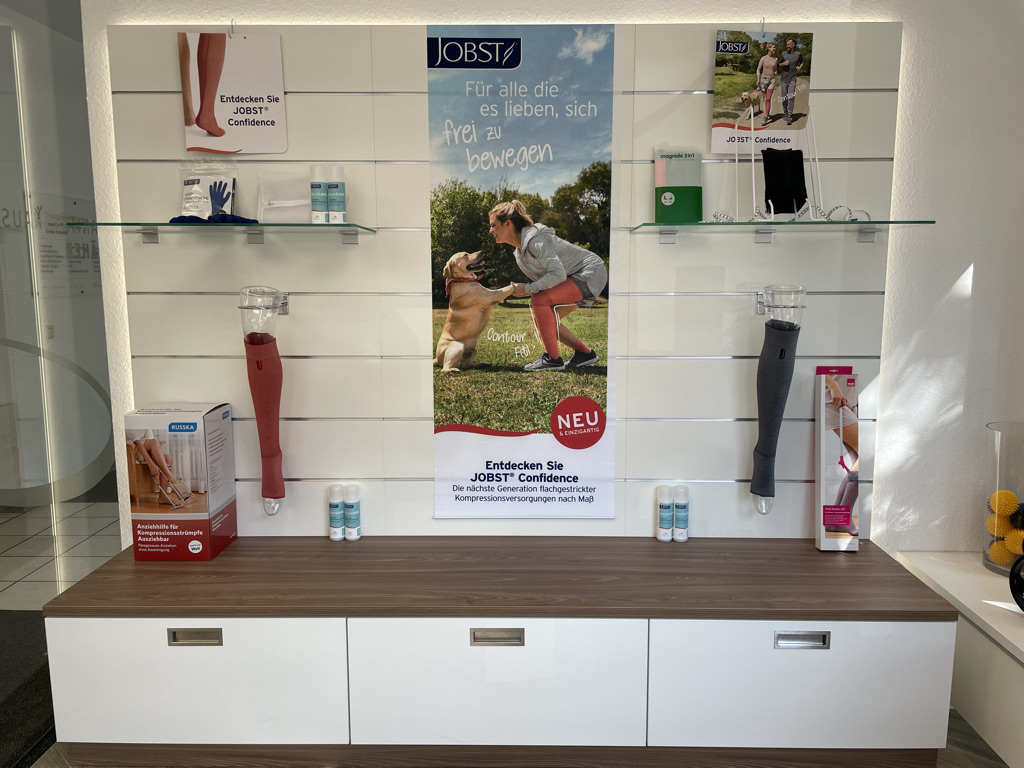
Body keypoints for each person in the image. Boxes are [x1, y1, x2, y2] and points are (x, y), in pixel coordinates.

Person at [488, 200, 607, 372]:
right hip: (575, 276)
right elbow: (548, 280)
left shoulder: (536, 241)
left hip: (590, 272)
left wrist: (527, 289)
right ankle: (584, 353)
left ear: (507, 224)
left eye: (493, 225)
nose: (490, 230)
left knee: (539, 300)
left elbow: (557, 274)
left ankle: (553, 359)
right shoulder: (519, 253)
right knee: (545, 319)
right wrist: (524, 290)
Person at [823, 375, 858, 535]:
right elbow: (816, 367)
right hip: (835, 398)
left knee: (858, 461)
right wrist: (833, 386)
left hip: (847, 399)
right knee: (866, 459)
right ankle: (844, 518)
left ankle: (835, 522)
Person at [778, 37, 804, 125]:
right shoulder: (783, 54)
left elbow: (802, 62)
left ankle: (789, 115)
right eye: (786, 44)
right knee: (784, 97)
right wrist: (783, 64)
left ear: (793, 45)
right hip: (784, 79)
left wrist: (800, 67)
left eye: (788, 44)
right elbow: (778, 64)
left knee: (791, 97)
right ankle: (785, 113)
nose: (787, 46)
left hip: (793, 79)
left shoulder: (798, 54)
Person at [754, 42, 778, 126]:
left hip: (771, 80)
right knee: (764, 99)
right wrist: (758, 80)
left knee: (768, 99)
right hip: (763, 80)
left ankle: (765, 117)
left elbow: (775, 69)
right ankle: (766, 112)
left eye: (775, 47)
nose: (774, 49)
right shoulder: (763, 58)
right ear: (768, 48)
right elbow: (758, 69)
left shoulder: (775, 59)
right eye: (773, 47)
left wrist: (775, 72)